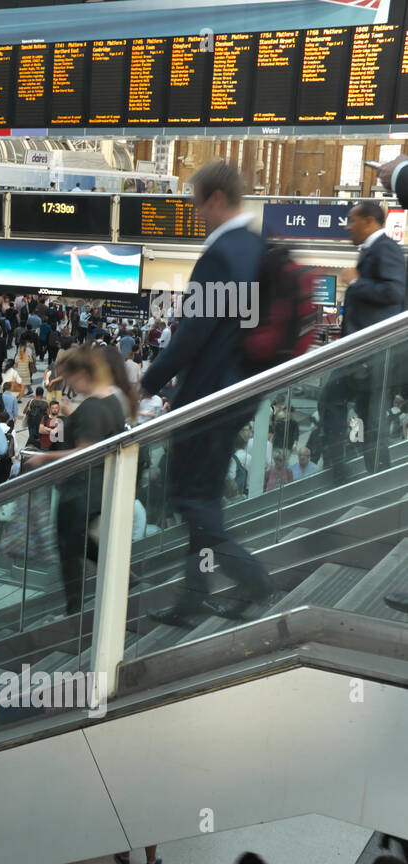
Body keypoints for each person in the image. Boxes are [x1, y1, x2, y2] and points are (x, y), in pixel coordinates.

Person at [140, 161, 276, 625]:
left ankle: (256, 582)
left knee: (192, 500)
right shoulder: (257, 247)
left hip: (208, 399)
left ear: (215, 198)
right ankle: (193, 599)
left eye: (197, 202)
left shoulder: (221, 254)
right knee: (203, 499)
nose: (196, 212)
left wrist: (144, 384)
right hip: (240, 394)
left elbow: (193, 335)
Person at [27, 346, 135, 615]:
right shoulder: (112, 401)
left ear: (83, 373)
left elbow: (85, 450)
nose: (69, 385)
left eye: (70, 378)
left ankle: (74, 608)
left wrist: (43, 459)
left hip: (80, 490)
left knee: (69, 546)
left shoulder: (92, 408)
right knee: (77, 541)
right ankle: (121, 576)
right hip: (100, 486)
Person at [318, 199, 404, 480]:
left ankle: (340, 469)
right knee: (370, 415)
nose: (348, 226)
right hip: (365, 353)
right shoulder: (371, 251)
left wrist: (356, 282)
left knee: (332, 399)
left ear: (369, 221)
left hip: (371, 353)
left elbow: (394, 294)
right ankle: (378, 475)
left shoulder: (386, 249)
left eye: (352, 220)